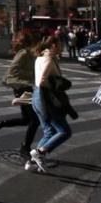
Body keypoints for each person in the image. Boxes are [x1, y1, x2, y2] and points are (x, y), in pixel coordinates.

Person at [26, 36, 75, 173]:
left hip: (37, 97)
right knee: (64, 131)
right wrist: (57, 84)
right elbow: (42, 80)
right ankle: (40, 153)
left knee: (49, 132)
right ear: (53, 45)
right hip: (46, 99)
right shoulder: (48, 59)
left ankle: (32, 162)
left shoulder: (39, 58)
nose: (61, 47)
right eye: (59, 44)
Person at [0, 32, 39, 156]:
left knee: (27, 119)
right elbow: (12, 72)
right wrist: (29, 78)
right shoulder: (24, 53)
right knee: (35, 120)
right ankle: (25, 147)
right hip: (22, 88)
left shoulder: (28, 53)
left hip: (25, 87)